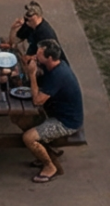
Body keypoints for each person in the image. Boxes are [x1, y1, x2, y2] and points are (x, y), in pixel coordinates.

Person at [24, 42, 85, 183]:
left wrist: (32, 74)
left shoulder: (58, 75)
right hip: (56, 113)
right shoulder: (55, 66)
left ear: (49, 58)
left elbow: (37, 101)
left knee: (28, 138)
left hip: (66, 122)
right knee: (20, 119)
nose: (35, 56)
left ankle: (50, 166)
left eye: (39, 54)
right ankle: (44, 152)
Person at [4, 0, 59, 91]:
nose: (26, 17)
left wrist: (30, 58)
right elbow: (13, 42)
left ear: (37, 16)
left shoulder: (46, 33)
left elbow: (48, 57)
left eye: (30, 15)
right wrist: (13, 29)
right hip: (30, 62)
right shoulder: (29, 25)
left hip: (46, 68)